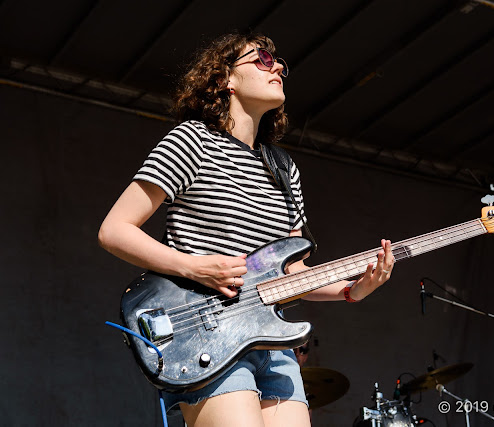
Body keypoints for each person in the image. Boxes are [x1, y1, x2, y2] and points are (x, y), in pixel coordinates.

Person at [98, 32, 395, 427]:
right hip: (206, 335)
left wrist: (350, 290)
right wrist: (193, 266)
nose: (278, 70)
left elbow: (292, 273)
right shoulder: (192, 141)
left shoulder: (284, 168)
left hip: (272, 342)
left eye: (280, 65)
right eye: (263, 59)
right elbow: (115, 230)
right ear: (224, 80)